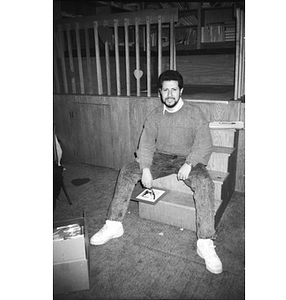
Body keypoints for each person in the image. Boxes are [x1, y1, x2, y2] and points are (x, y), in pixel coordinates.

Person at [90, 70, 222, 274]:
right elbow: (146, 144)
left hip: (187, 159)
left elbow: (205, 144)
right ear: (160, 93)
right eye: (165, 90)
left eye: (174, 90)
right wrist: (145, 168)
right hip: (161, 157)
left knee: (204, 182)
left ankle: (205, 242)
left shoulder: (195, 113)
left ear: (181, 91)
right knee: (127, 170)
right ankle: (114, 224)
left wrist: (190, 163)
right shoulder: (154, 115)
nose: (170, 94)